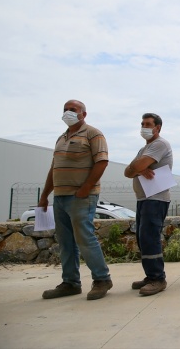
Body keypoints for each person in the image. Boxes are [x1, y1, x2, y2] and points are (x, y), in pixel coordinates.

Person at [38, 100, 113, 300]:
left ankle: (102, 279)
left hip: (81, 197)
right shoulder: (61, 138)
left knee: (85, 238)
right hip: (60, 197)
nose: (68, 113)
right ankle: (70, 282)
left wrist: (86, 188)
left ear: (83, 114)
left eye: (73, 110)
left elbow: (102, 162)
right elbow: (54, 169)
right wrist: (45, 195)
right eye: (65, 110)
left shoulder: (93, 134)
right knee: (65, 242)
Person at [124, 113, 173, 296]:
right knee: (142, 238)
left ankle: (158, 278)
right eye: (142, 123)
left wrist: (137, 168)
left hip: (155, 198)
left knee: (150, 237)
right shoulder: (143, 149)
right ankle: (150, 275)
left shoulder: (159, 144)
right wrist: (138, 169)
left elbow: (134, 168)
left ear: (158, 127)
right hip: (143, 198)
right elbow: (127, 171)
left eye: (148, 124)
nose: (144, 126)